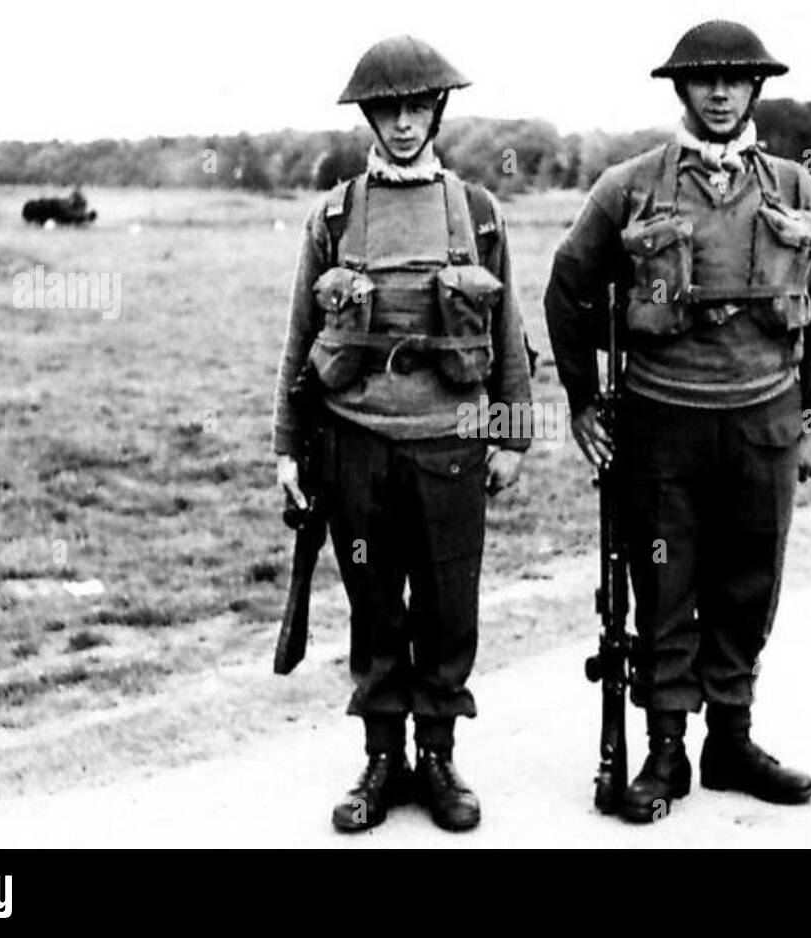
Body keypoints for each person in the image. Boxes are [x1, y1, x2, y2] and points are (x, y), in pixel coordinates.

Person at [545, 20, 811, 823]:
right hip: (660, 426)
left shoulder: (793, 187)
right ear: (680, 90)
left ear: (756, 90)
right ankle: (666, 748)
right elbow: (567, 287)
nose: (720, 92)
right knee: (665, 586)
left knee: (749, 586)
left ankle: (731, 740)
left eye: (736, 79)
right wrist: (581, 401)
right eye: (705, 79)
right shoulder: (630, 185)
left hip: (764, 423)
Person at [271, 35, 533, 833]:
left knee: (450, 609)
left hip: (452, 444)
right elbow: (300, 336)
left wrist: (513, 434)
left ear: (437, 112)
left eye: (417, 107)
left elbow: (509, 327)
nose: (404, 123)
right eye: (388, 109)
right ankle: (382, 759)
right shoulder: (336, 215)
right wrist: (288, 446)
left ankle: (439, 757)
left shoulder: (478, 212)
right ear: (369, 118)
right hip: (355, 443)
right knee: (375, 607)